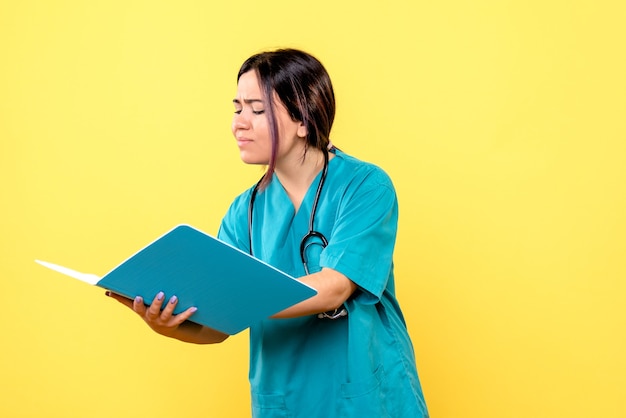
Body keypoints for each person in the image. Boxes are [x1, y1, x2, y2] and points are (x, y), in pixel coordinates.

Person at [108, 48, 429, 417]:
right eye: (237, 108)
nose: (239, 123)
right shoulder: (242, 213)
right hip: (284, 402)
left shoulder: (365, 187)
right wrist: (168, 324)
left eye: (257, 110)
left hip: (367, 399)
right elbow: (218, 325)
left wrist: (233, 297)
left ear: (304, 120)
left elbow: (334, 288)